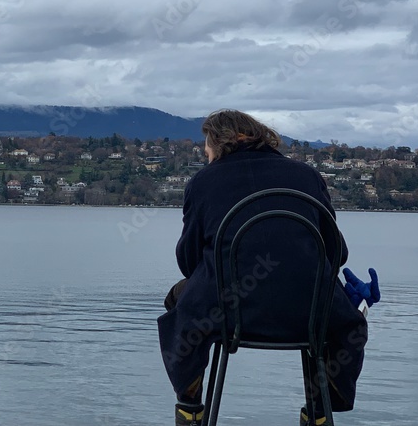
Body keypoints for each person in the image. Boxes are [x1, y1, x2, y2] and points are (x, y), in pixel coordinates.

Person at [157, 110, 378, 426]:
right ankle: (317, 412)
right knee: (344, 320)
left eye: (206, 150)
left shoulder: (203, 181)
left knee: (178, 300)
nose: (206, 157)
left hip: (227, 315)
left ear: (217, 145)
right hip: (307, 314)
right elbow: (336, 252)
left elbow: (189, 262)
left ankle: (190, 406)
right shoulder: (308, 176)